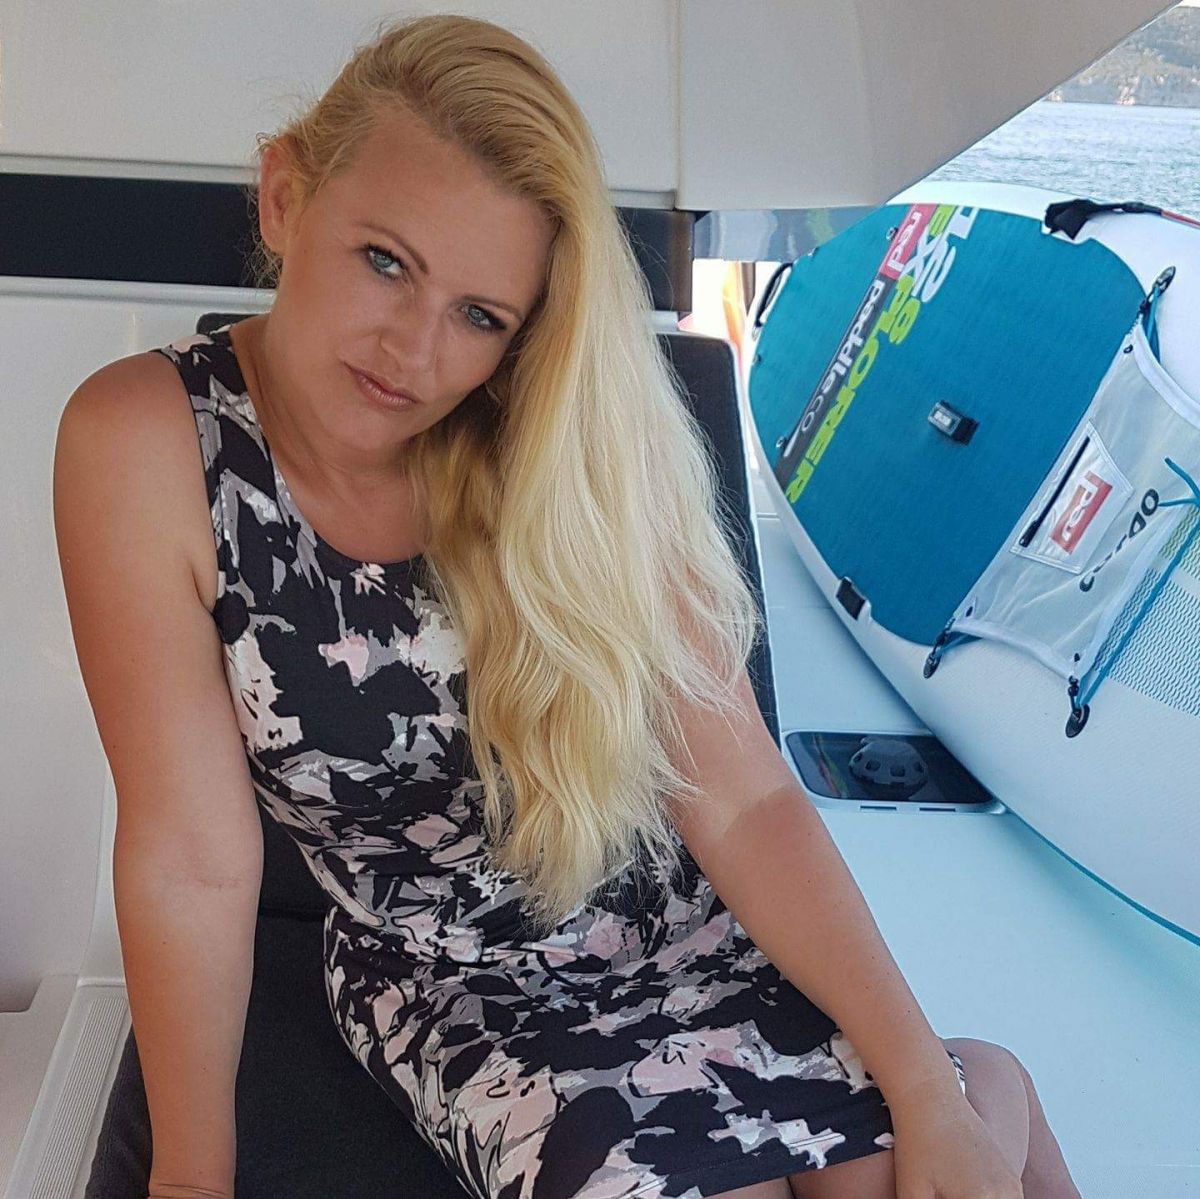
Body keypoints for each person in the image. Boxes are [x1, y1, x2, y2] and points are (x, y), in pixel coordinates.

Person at [53, 13, 1080, 1199]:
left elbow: (743, 799)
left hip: (675, 914)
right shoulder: (147, 445)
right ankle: (985, 1097)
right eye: (385, 260)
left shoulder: (567, 443)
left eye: (480, 315)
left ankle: (978, 1084)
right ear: (285, 198)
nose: (413, 350)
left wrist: (922, 1085)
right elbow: (192, 857)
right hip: (446, 973)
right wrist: (190, 1179)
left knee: (892, 1170)